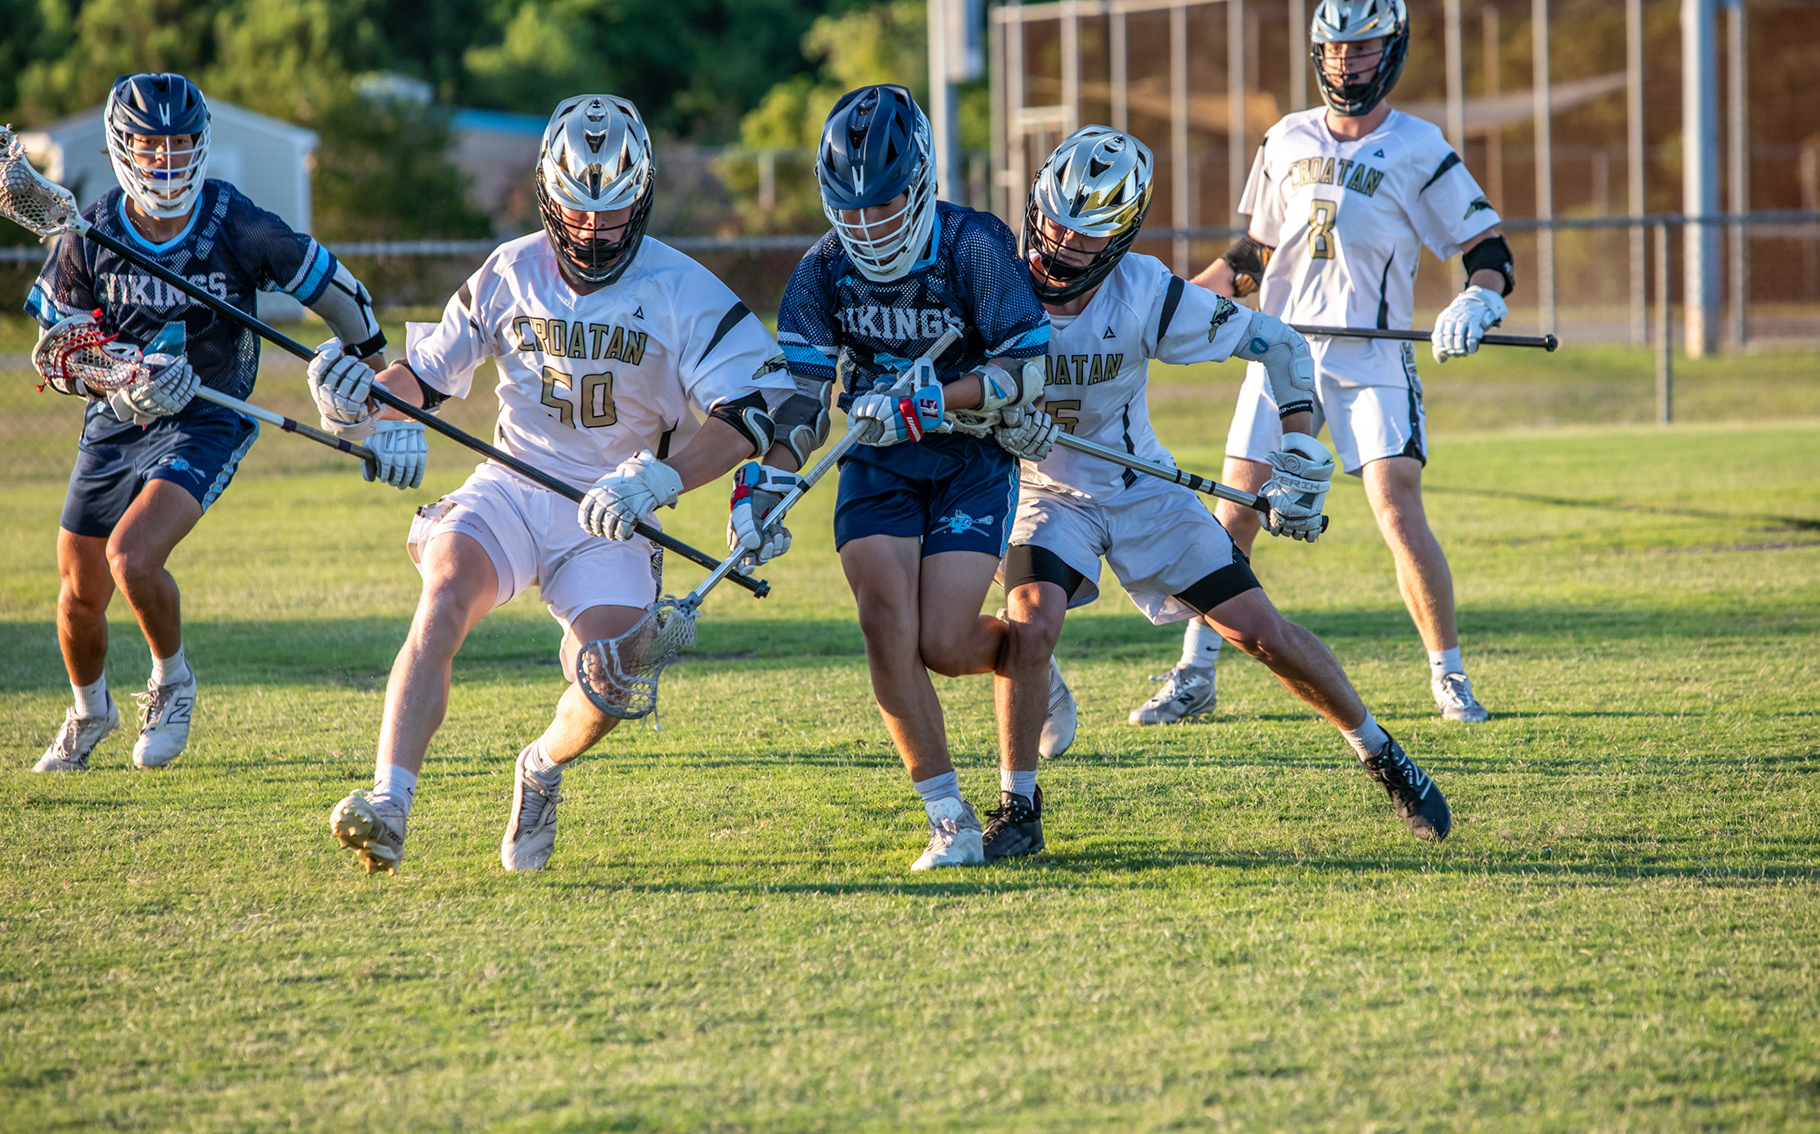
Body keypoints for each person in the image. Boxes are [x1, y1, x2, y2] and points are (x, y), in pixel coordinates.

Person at [316, 94, 798, 874]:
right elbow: (426, 378)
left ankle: (539, 768)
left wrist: (661, 478)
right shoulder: (510, 269)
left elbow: (750, 416)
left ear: (643, 199)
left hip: (617, 510)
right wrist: (359, 398)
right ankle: (390, 803)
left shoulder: (683, 289)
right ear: (546, 194)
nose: (593, 229)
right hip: (513, 484)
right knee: (445, 593)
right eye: (576, 209)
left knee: (609, 676)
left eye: (612, 212)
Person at [987, 126, 1452, 855]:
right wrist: (992, 420)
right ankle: (1018, 811)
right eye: (1054, 221)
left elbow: (1280, 345)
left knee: (1259, 633)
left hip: (1139, 487)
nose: (1061, 244)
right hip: (1042, 492)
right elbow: (940, 388)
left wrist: (1297, 448)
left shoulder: (1145, 293)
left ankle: (1382, 753)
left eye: (1086, 234)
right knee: (1030, 622)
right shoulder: (988, 283)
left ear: (1120, 237)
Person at [1137, 0, 1515, 728]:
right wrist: (1168, 306)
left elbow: (1488, 249)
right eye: (1336, 47)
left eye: (1363, 46)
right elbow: (1251, 257)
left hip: (1372, 357)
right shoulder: (1285, 138)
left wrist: (1479, 299)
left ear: (1391, 50)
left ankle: (1449, 675)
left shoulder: (1419, 145)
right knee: (1233, 515)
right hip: (1283, 352)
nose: (1347, 61)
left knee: (1396, 507)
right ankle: (1195, 673)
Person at [28, 72, 389, 773]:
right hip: (117, 422)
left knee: (132, 556)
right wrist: (118, 375)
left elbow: (336, 290)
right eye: (149, 144)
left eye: (180, 142)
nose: (166, 158)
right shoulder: (91, 229)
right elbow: (57, 352)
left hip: (207, 416)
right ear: (121, 146)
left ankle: (172, 682)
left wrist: (385, 386)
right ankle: (89, 711)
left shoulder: (233, 221)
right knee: (79, 598)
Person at [775, 84, 1055, 871]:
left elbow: (1028, 366)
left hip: (969, 454)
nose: (868, 224)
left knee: (944, 642)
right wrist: (767, 485)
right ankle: (949, 819)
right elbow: (801, 400)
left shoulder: (973, 243)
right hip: (878, 457)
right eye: (851, 208)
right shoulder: (821, 270)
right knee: (884, 620)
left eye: (885, 203)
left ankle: (1028, 662)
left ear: (923, 180)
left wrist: (935, 401)